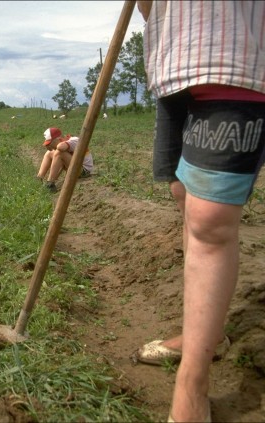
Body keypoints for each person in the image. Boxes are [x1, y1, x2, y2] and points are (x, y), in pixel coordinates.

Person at [134, 1, 265, 422]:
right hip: (173, 58)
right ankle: (205, 337)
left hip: (235, 51)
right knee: (184, 198)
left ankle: (193, 384)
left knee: (209, 221)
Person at [36, 127, 94, 193]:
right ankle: (39, 178)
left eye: (50, 143)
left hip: (84, 171)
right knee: (49, 153)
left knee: (59, 153)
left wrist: (56, 147)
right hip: (75, 168)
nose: (49, 146)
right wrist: (52, 149)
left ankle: (50, 184)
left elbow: (60, 147)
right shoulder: (64, 143)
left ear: (58, 139)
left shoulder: (74, 140)